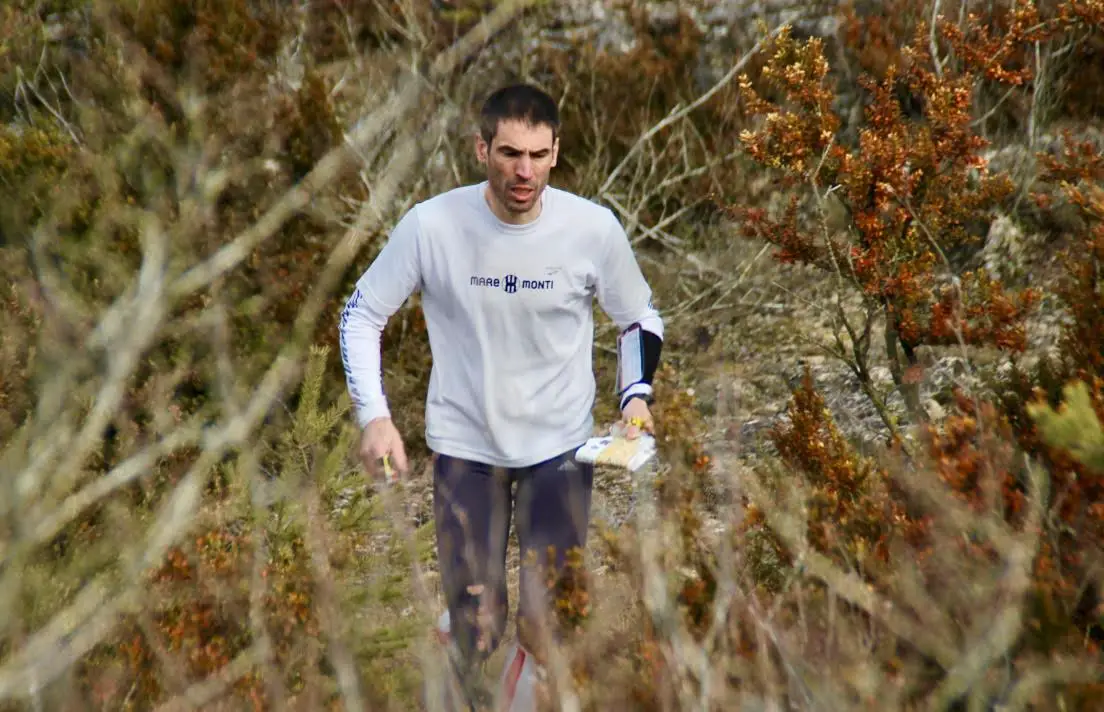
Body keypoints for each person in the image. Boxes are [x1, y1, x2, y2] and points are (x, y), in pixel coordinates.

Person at [338, 83, 664, 707]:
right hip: (466, 447)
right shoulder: (432, 225)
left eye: (539, 156)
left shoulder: (592, 229)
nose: (524, 171)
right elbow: (360, 315)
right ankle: (457, 659)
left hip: (560, 451)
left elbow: (639, 317)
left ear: (557, 152)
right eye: (510, 153)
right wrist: (374, 418)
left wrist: (635, 397)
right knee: (477, 626)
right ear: (481, 147)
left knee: (548, 626)